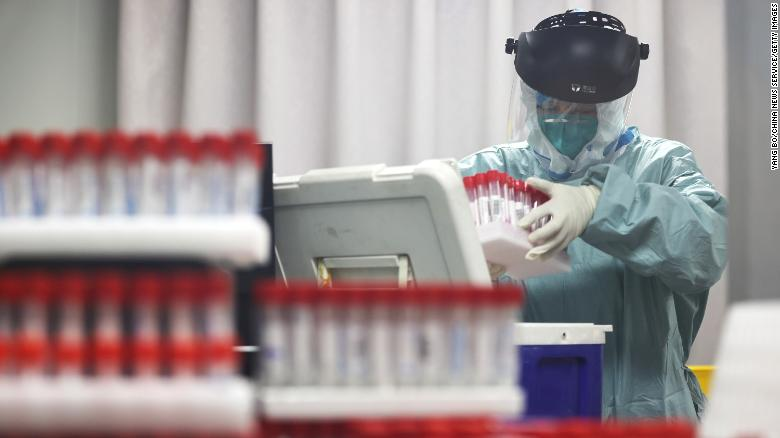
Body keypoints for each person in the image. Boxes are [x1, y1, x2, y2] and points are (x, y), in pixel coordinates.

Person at [459, 9, 727, 420]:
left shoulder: (660, 166)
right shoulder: (486, 175)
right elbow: (415, 289)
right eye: (552, 106)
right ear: (531, 101)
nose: (566, 119)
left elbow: (707, 246)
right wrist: (463, 273)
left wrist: (598, 204)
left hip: (644, 417)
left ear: (613, 107)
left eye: (585, 110)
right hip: (524, 414)